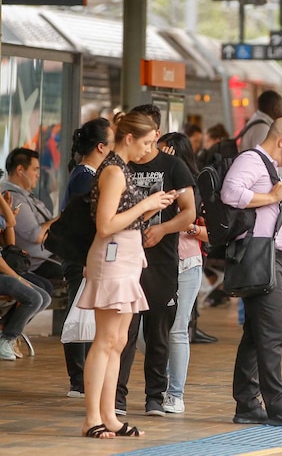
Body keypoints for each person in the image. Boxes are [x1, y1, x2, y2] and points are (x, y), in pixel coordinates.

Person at [78, 111, 174, 438]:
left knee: (117, 341)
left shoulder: (121, 170)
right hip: (113, 256)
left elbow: (120, 218)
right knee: (107, 340)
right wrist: (145, 204)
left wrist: (148, 207)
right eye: (146, 143)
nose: (148, 150)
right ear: (129, 138)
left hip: (126, 256)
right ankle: (93, 417)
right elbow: (105, 224)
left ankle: (109, 415)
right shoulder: (115, 171)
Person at [222, 116, 282, 428]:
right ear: (281, 141)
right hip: (263, 259)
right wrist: (272, 198)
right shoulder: (252, 160)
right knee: (272, 332)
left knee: (256, 333)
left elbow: (270, 212)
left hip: (270, 257)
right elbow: (230, 192)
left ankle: (248, 403)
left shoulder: (267, 166)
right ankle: (277, 405)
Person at [115, 104, 197, 417]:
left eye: (152, 140)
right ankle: (117, 397)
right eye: (143, 140)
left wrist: (162, 229)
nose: (148, 147)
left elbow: (188, 211)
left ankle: (155, 396)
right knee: (124, 331)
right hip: (124, 258)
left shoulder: (174, 166)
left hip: (161, 260)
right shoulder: (121, 166)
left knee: (158, 331)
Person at [61, 118, 113, 396]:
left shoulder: (86, 174)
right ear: (102, 147)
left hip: (84, 256)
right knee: (77, 314)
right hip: (80, 258)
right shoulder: (85, 177)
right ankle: (78, 379)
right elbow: (84, 223)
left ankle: (83, 378)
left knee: (83, 312)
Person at [154, 132, 205, 414]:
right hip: (156, 261)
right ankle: (159, 380)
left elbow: (214, 231)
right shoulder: (152, 180)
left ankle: (175, 393)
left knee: (177, 329)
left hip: (186, 262)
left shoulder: (192, 187)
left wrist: (192, 228)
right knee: (145, 329)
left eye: (161, 150)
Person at [1, 147, 62, 280]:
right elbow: (36, 235)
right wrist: (60, 219)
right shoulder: (12, 197)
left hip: (49, 255)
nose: (38, 174)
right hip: (36, 263)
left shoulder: (26, 195)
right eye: (35, 169)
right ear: (20, 170)